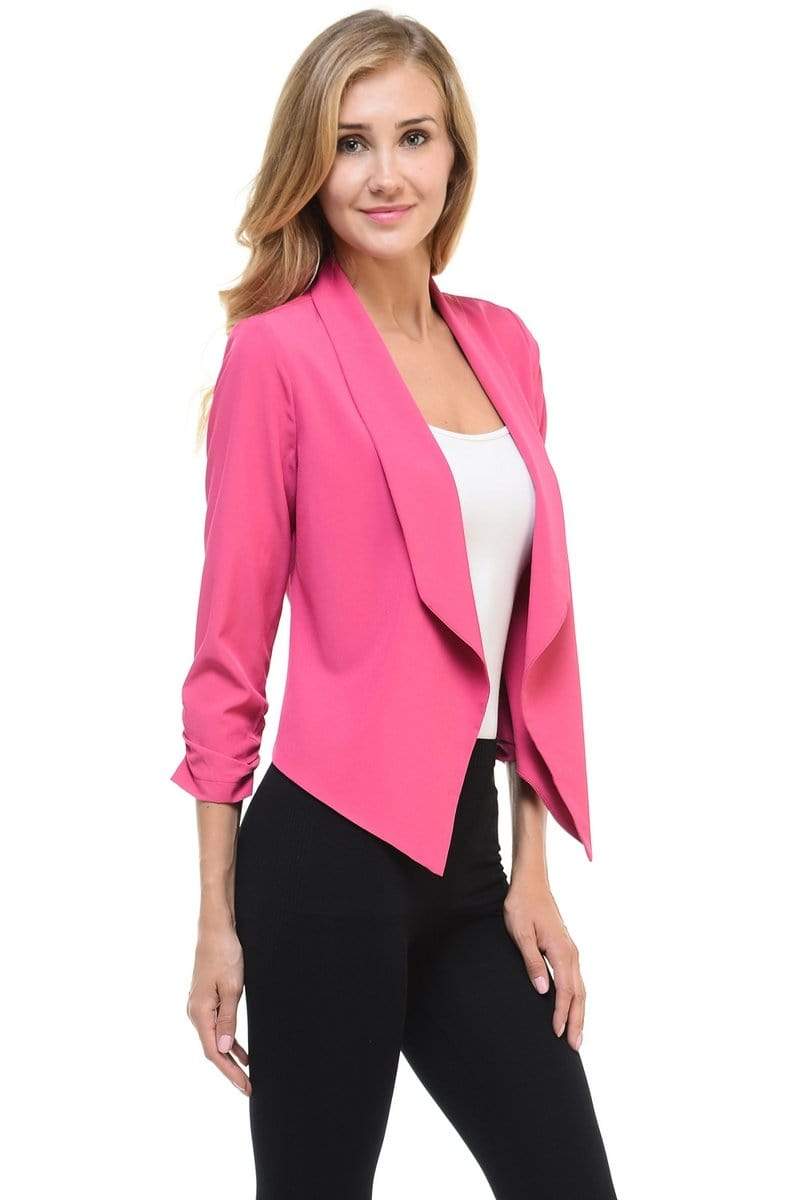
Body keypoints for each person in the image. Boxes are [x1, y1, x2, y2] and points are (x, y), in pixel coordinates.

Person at [171, 10, 618, 1198]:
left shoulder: (504, 347)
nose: (383, 174)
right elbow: (227, 659)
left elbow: (529, 643)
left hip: (471, 865)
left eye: (412, 137)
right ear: (309, 165)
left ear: (452, 153)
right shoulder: (277, 355)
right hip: (324, 857)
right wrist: (215, 918)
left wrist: (531, 869)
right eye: (349, 142)